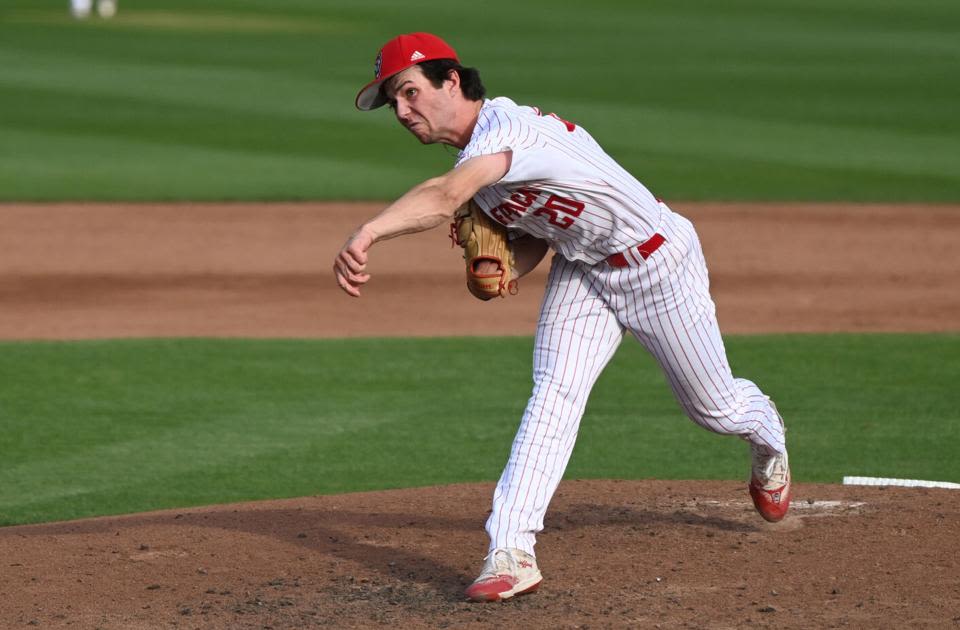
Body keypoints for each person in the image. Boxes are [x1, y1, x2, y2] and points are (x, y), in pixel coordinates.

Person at [332, 32, 791, 603]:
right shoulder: (480, 170)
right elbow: (539, 240)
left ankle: (767, 435)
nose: (401, 111)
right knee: (554, 392)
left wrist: (369, 231)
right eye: (391, 103)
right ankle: (510, 551)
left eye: (407, 92)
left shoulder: (508, 133)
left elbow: (446, 195)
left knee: (715, 408)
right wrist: (504, 273)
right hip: (584, 271)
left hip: (658, 262)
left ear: (451, 80)